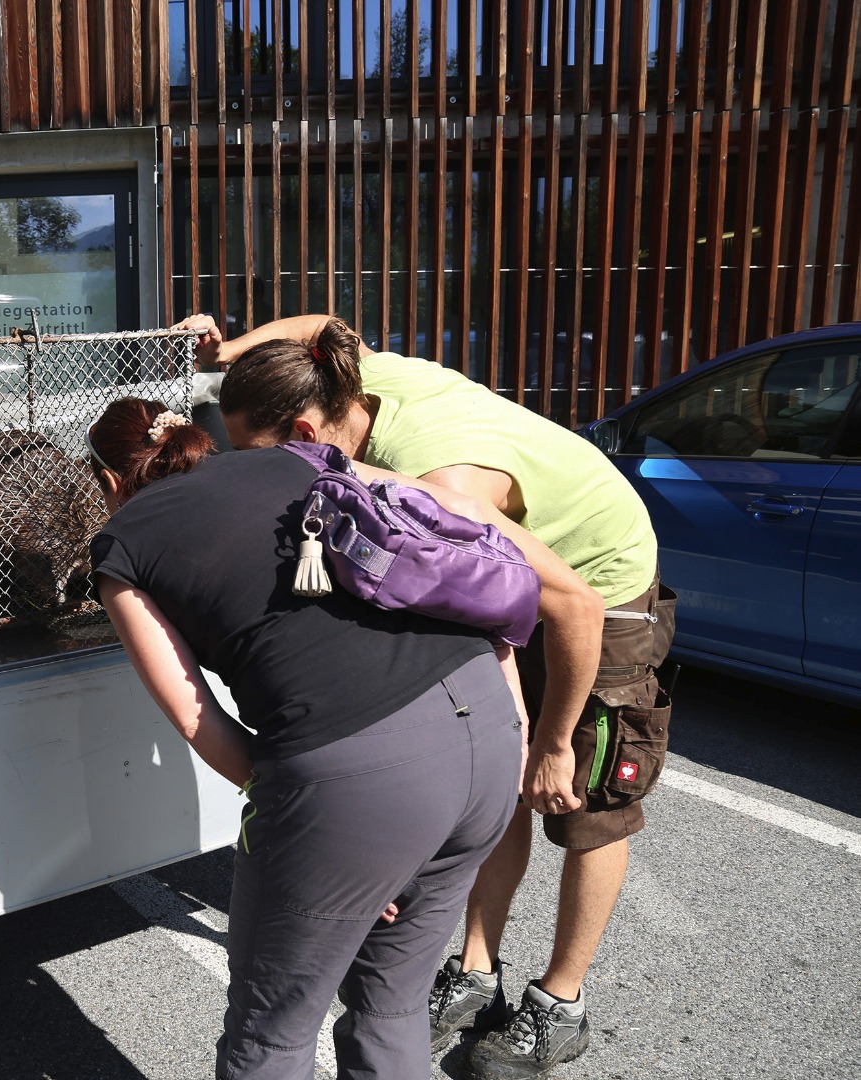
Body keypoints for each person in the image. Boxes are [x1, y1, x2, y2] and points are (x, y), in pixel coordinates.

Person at [177, 314, 673, 1078]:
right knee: (500, 782)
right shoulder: (352, 378)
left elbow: (569, 607)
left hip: (600, 589)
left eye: (255, 457)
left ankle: (560, 1004)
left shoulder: (440, 490)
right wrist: (235, 351)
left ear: (306, 429)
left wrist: (548, 743)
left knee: (584, 806)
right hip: (513, 575)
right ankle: (477, 972)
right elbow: (328, 323)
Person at [87, 396, 524, 1080]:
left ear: (110, 482)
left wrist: (325, 846)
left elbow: (196, 714)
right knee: (392, 1006)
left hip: (360, 769)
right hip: (486, 732)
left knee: (271, 1033)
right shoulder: (299, 457)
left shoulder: (123, 545)